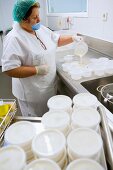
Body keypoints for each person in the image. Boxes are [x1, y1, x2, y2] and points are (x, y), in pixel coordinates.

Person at [2, 0, 83, 117]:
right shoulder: (14, 38)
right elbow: (10, 69)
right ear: (24, 19)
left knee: (49, 117)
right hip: (31, 94)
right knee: (38, 122)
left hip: (48, 87)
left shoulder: (39, 29)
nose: (39, 20)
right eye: (35, 17)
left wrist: (73, 38)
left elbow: (56, 40)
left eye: (38, 15)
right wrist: (37, 70)